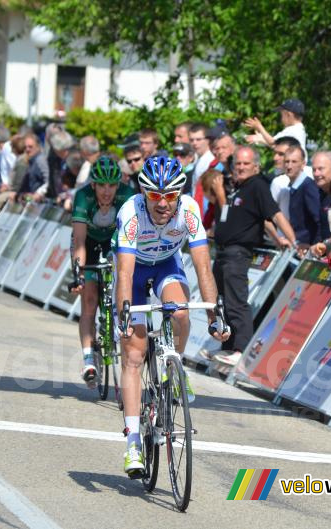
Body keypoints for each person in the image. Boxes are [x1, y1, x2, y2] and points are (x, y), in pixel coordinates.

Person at [115, 156, 229, 476]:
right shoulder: (131, 213)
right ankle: (133, 442)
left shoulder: (189, 211)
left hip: (167, 265)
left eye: (170, 195)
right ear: (143, 193)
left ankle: (173, 369)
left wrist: (214, 316)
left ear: (180, 193)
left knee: (180, 312)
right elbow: (124, 274)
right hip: (134, 271)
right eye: (154, 195)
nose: (163, 203)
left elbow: (203, 267)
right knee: (134, 355)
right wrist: (124, 315)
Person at [211, 146, 296, 366]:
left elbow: (273, 214)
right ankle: (227, 347)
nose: (240, 167)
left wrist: (291, 240)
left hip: (238, 252)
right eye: (238, 163)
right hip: (222, 252)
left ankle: (241, 349)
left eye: (245, 163)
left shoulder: (257, 185)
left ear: (256, 167)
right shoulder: (237, 187)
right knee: (221, 302)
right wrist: (277, 239)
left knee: (236, 302)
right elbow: (261, 220)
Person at [70, 157, 135, 387]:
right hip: (88, 242)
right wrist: (78, 274)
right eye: (102, 185)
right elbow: (79, 241)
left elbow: (131, 236)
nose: (107, 191)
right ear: (93, 184)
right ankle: (89, 359)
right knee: (89, 301)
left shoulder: (128, 195)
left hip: (114, 242)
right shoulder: (83, 196)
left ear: (119, 184)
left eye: (112, 185)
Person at [277, 144, 321, 248]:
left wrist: (316, 246)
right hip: (298, 246)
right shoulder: (293, 187)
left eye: (294, 162)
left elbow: (319, 219)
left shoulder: (308, 187)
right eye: (287, 162)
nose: (289, 166)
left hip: (309, 247)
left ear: (303, 164)